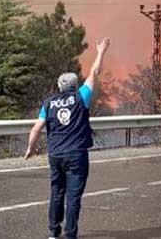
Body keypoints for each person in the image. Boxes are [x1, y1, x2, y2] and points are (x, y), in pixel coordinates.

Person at [25, 38, 110, 239]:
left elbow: (37, 127)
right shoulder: (82, 96)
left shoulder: (48, 103)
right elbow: (94, 73)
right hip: (76, 155)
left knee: (57, 194)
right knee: (73, 197)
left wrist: (31, 148)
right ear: (75, 84)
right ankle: (70, 235)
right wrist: (101, 51)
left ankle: (54, 233)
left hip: (55, 155)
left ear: (59, 86)